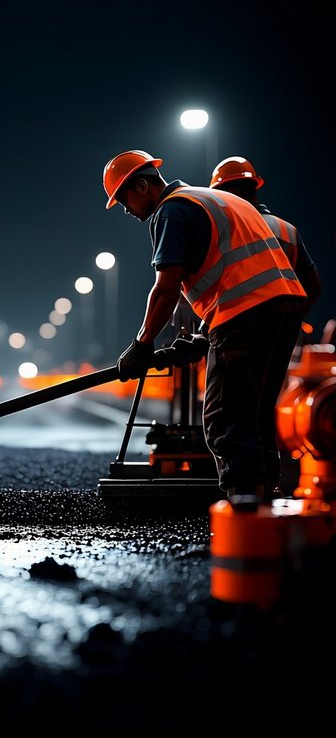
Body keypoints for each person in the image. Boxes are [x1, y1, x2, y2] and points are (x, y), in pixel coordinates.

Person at [103, 150, 309, 510]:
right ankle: (264, 505)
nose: (125, 209)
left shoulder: (171, 210)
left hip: (243, 314)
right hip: (283, 308)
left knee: (225, 418)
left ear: (141, 185)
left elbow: (166, 289)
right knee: (256, 415)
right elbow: (232, 271)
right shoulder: (214, 198)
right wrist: (204, 335)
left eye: (124, 199)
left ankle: (244, 517)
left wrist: (141, 344)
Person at [209, 156, 321, 314]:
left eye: (220, 197)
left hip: (242, 329)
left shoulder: (232, 229)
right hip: (285, 331)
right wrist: (293, 320)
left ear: (234, 193)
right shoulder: (288, 229)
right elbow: (313, 287)